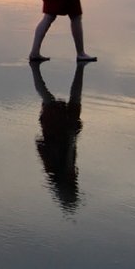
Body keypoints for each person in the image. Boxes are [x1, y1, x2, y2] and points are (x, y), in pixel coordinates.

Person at [31, 59, 87, 212]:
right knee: (48, 97)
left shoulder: (60, 172)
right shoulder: (54, 171)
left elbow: (69, 147)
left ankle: (35, 69)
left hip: (59, 127)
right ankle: (34, 70)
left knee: (71, 96)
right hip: (55, 127)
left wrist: (72, 136)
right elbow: (42, 145)